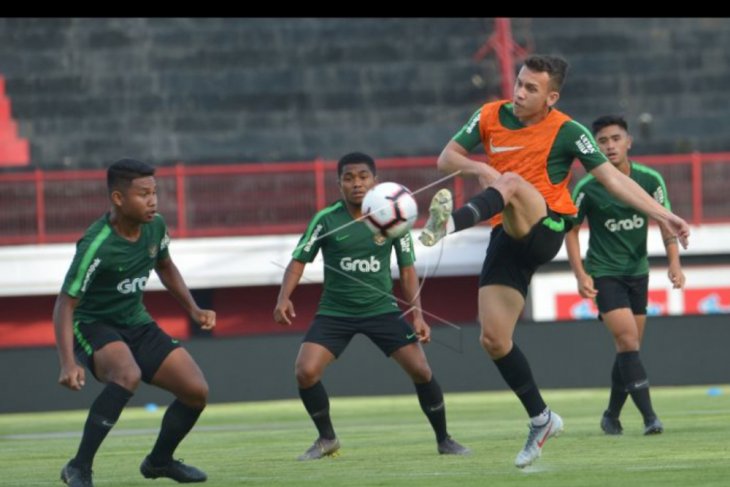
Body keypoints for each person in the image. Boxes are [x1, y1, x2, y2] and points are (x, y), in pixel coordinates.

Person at [418, 54, 690, 468]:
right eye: (519, 83)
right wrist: (478, 168)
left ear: (552, 96)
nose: (520, 92)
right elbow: (446, 158)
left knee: (510, 181)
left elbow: (614, 179)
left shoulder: (568, 130)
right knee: (493, 339)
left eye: (531, 88)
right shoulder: (490, 115)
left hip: (547, 226)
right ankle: (542, 418)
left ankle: (447, 225)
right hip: (506, 234)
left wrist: (664, 214)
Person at [273, 151, 470, 461]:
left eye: (363, 177)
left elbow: (407, 270)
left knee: (421, 370)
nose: (356, 184)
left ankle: (444, 439)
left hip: (382, 311)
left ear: (375, 181)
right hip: (335, 312)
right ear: (338, 184)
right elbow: (299, 260)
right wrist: (283, 296)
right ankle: (327, 439)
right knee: (305, 371)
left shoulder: (393, 218)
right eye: (349, 178)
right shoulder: (326, 219)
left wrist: (417, 316)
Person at [55, 158, 215, 487]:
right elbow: (64, 304)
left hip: (137, 322)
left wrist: (194, 309)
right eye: (144, 194)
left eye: (155, 192)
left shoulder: (155, 226)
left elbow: (165, 266)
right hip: (94, 324)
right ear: (118, 198)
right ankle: (78, 466)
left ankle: (159, 462)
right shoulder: (96, 245)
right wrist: (68, 362)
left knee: (196, 391)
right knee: (128, 374)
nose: (153, 200)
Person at [565, 115, 685, 436]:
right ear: (595, 146)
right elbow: (572, 231)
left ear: (628, 141)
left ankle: (611, 416)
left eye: (616, 139)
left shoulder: (650, 180)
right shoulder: (588, 187)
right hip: (604, 273)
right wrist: (580, 274)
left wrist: (674, 263)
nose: (610, 146)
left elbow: (665, 222)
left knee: (628, 349)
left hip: (638, 272)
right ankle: (650, 418)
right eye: (602, 141)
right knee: (628, 341)